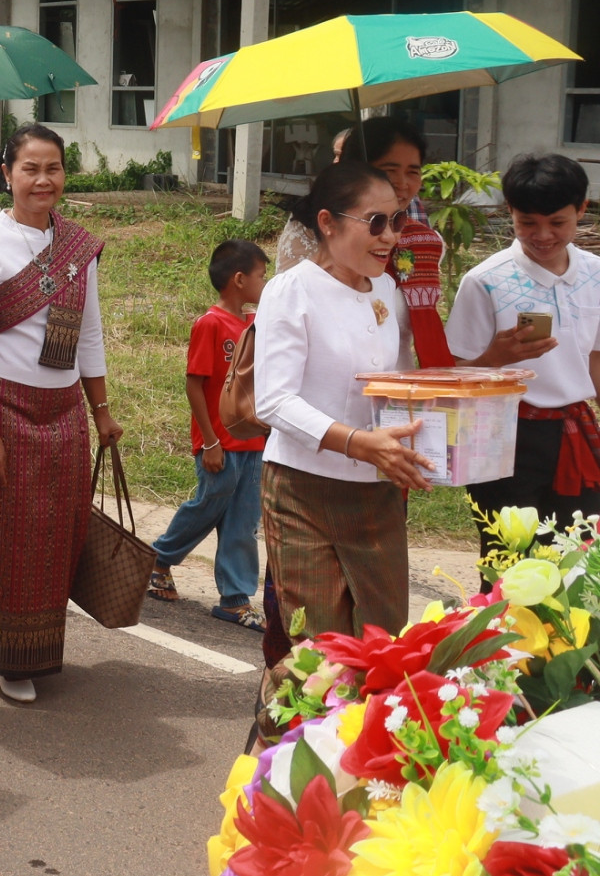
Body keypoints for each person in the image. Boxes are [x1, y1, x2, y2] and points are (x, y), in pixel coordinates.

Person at [0, 124, 121, 704]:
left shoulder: (78, 248)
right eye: (30, 168)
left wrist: (101, 412)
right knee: (10, 541)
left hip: (64, 413)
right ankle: (11, 658)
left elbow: (90, 336)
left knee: (56, 536)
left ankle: (44, 646)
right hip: (3, 409)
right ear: (7, 174)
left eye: (53, 168)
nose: (43, 180)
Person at [254, 161, 435, 641]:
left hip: (376, 491)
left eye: (396, 220)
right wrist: (358, 443)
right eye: (375, 222)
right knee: (320, 647)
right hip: (302, 490)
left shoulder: (388, 291)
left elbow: (397, 383)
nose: (389, 236)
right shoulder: (291, 291)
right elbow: (273, 401)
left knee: (384, 637)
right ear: (328, 223)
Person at [447, 153, 600, 543]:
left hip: (573, 432)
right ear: (509, 211)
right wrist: (494, 359)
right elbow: (451, 373)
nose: (543, 235)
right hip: (502, 432)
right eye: (528, 222)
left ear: (581, 209)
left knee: (580, 551)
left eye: (557, 223)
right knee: (510, 554)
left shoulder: (596, 275)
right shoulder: (485, 281)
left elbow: (596, 360)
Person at [144, 239, 270, 632]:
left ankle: (235, 599)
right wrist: (210, 441)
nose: (265, 283)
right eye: (262, 276)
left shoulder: (255, 326)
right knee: (207, 506)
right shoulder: (210, 324)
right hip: (219, 443)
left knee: (244, 521)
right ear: (239, 280)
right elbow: (195, 384)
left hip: (254, 441)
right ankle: (156, 558)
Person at [343, 118, 452, 367]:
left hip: (404, 388)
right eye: (389, 171)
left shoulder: (426, 243)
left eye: (413, 171)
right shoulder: (321, 238)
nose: (402, 183)